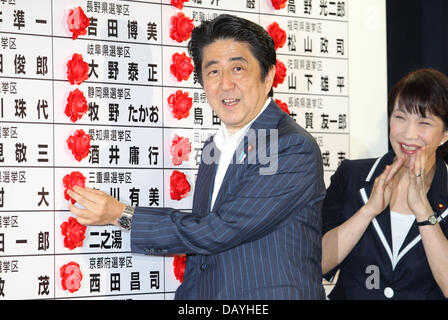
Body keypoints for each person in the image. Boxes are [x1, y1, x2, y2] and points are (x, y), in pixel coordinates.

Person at [67, 14, 326, 300]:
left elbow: (220, 230)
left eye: (238, 68)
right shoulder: (215, 146)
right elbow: (202, 253)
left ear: (267, 77)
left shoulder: (288, 145)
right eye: (213, 72)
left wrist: (122, 215)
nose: (225, 84)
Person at [321, 68, 448, 299]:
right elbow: (316, 263)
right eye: (400, 117)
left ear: (445, 134)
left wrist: (423, 210)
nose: (408, 134)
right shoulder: (352, 176)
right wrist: (368, 211)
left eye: (424, 122)